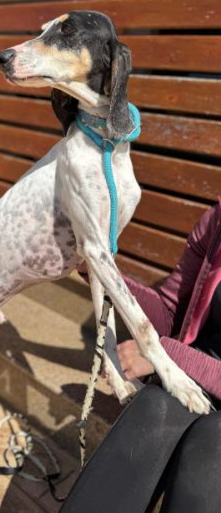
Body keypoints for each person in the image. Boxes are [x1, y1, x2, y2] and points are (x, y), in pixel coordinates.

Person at [61, 199, 221, 513]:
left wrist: (163, 354)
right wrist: (101, 272)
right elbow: (170, 313)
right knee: (154, 408)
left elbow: (167, 347)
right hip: (196, 378)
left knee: (214, 442)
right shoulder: (217, 221)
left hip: (196, 373)